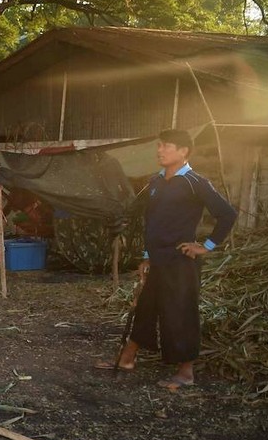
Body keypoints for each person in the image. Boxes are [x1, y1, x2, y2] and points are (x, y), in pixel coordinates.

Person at [96, 129, 237, 389]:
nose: (160, 150)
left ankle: (186, 372)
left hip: (181, 261)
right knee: (146, 308)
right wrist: (147, 256)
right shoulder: (156, 182)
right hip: (158, 259)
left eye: (167, 146)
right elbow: (152, 221)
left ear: (184, 151)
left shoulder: (196, 182)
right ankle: (127, 359)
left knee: (180, 313)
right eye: (159, 145)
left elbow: (227, 214)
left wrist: (205, 246)